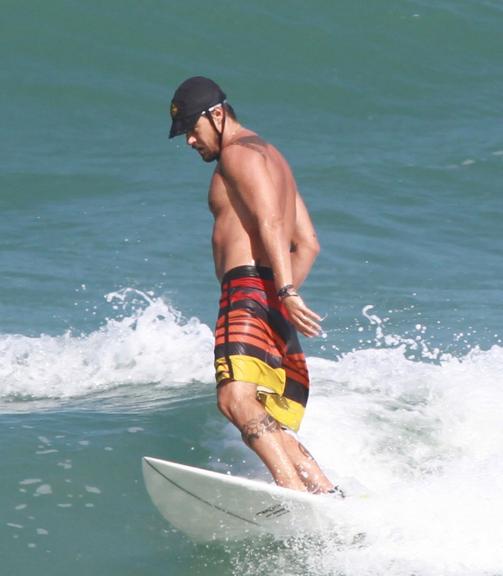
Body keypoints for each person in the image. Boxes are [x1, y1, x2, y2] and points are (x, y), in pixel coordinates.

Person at [169, 76, 342, 495]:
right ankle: (324, 494)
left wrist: (282, 292)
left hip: (250, 289)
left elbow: (270, 223)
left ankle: (292, 494)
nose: (191, 140)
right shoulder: (273, 158)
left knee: (234, 399)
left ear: (217, 114)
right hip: (265, 294)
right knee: (262, 410)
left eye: (193, 128)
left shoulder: (237, 155)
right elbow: (309, 244)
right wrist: (278, 297)